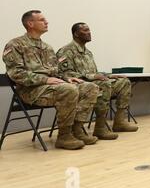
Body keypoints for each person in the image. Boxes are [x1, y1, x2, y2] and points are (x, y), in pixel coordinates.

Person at [2, 10, 99, 150]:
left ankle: (77, 130)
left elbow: (56, 71)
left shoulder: (47, 48)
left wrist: (67, 78)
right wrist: (45, 80)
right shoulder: (15, 45)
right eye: (42, 20)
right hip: (29, 91)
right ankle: (64, 136)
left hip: (51, 87)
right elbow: (16, 74)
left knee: (90, 87)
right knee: (68, 90)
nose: (46, 22)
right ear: (30, 23)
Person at [57, 23, 138, 140]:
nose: (89, 32)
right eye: (85, 30)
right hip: (80, 85)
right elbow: (65, 74)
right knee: (104, 85)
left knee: (123, 81)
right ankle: (100, 128)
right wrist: (93, 77)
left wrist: (109, 75)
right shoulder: (66, 51)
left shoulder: (87, 52)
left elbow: (94, 73)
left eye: (89, 30)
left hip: (94, 83)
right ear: (76, 33)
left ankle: (119, 122)